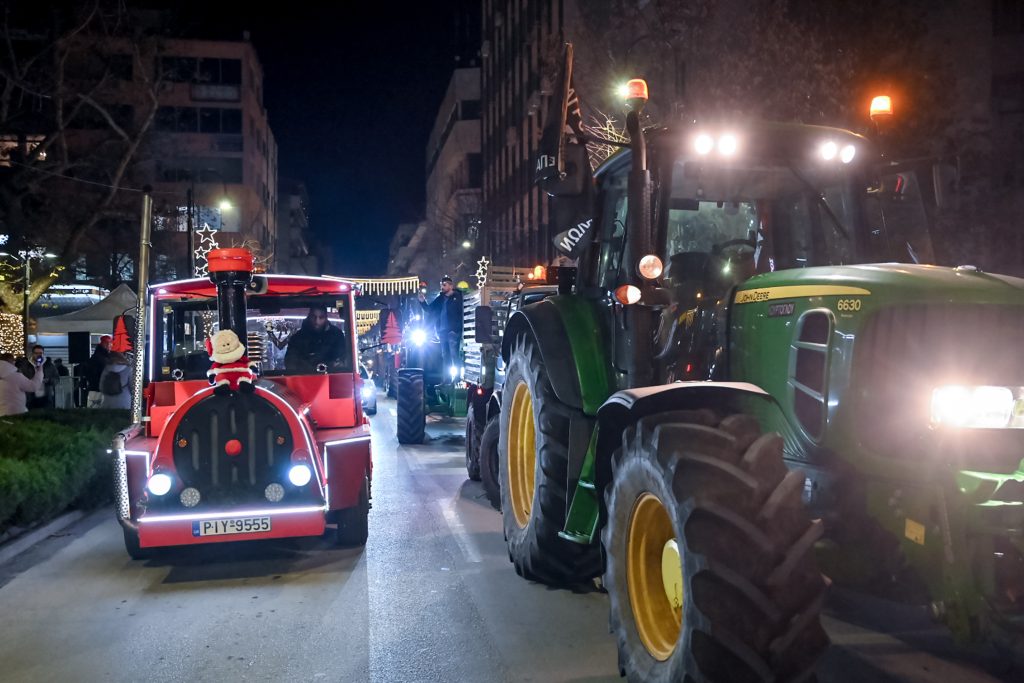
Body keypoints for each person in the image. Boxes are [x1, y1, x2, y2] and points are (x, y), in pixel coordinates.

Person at [418, 275, 464, 374]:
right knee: (445, 356)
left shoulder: (458, 297)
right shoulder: (440, 298)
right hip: (442, 332)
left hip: (453, 331)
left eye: (444, 285)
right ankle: (447, 379)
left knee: (454, 355)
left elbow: (461, 314)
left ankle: (456, 379)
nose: (442, 287)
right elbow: (429, 309)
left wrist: (457, 328)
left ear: (451, 286)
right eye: (441, 285)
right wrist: (422, 302)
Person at [284, 305, 348, 373]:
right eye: (313, 317)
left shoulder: (337, 335)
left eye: (321, 317)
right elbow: (290, 362)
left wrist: (332, 365)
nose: (317, 321)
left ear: (326, 318)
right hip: (304, 377)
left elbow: (343, 359)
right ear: (309, 316)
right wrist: (308, 368)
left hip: (332, 376)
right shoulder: (297, 338)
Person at [0, 352, 44, 416]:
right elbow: (33, 386)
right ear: (10, 362)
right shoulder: (15, 376)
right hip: (15, 412)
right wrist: (39, 371)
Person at [24, 345, 57, 409]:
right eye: (36, 353)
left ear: (43, 353)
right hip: (31, 397)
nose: (38, 355)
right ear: (32, 354)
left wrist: (49, 380)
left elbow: (57, 378)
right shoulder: (27, 365)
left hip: (47, 397)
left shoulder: (49, 365)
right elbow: (22, 379)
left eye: (40, 353)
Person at [84, 335, 112, 408]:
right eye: (110, 343)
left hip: (93, 389)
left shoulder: (95, 357)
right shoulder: (105, 359)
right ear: (106, 344)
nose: (111, 346)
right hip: (101, 390)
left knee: (94, 410)